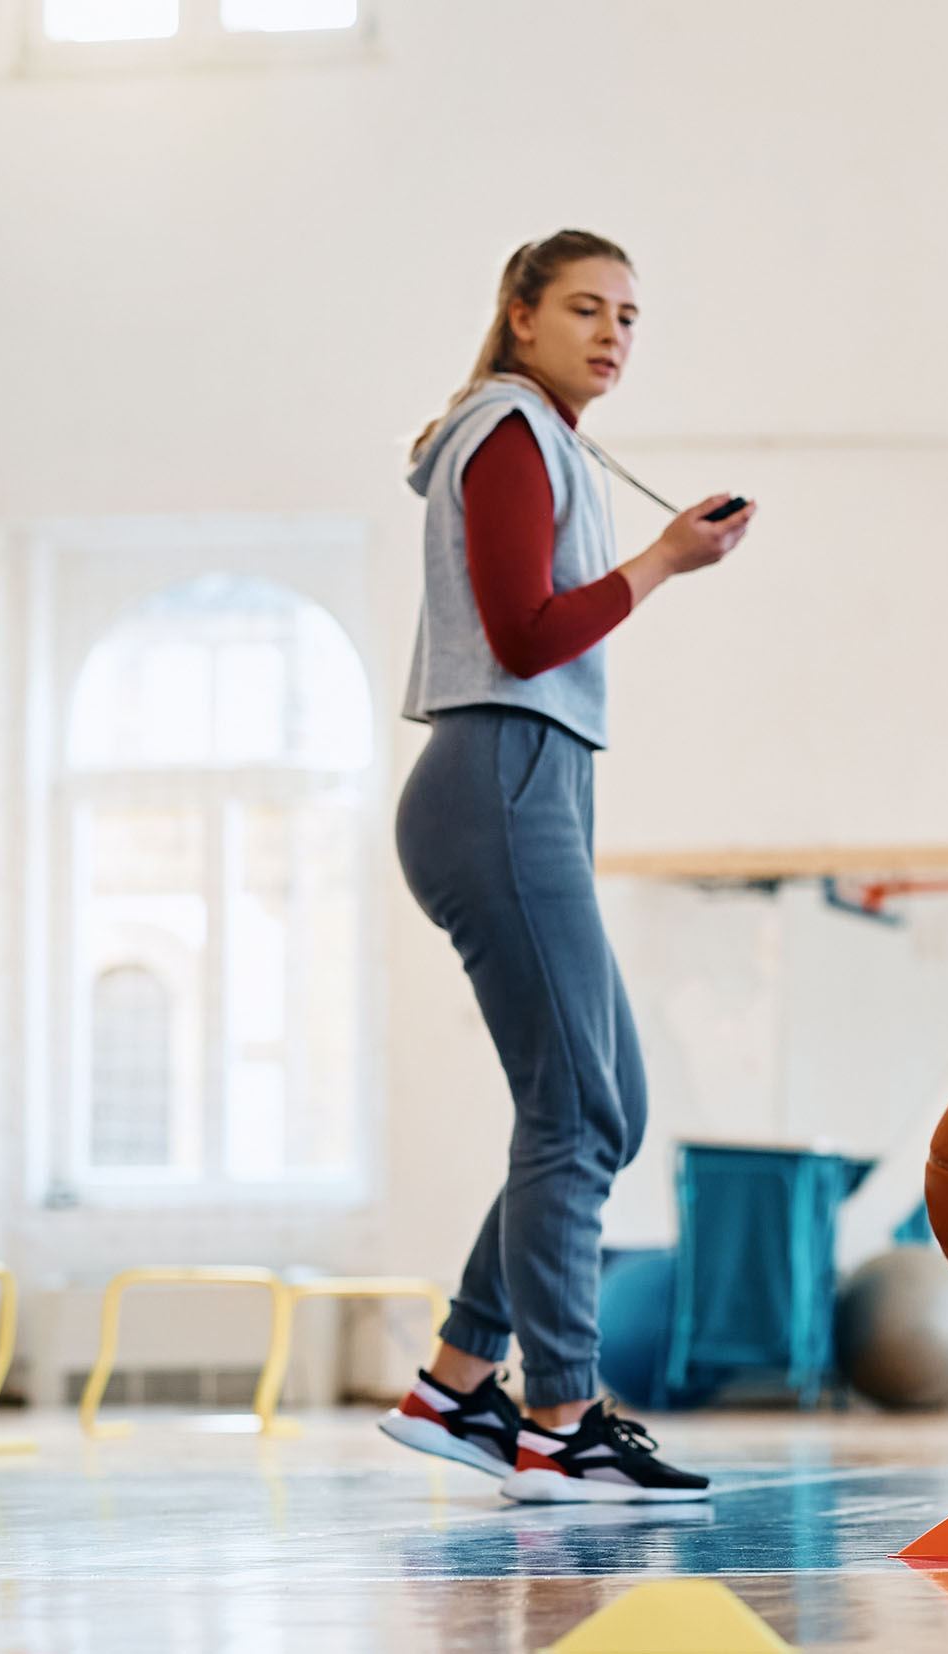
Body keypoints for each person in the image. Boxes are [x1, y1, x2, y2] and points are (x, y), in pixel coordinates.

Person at [378, 230, 754, 1502]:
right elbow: (525, 635)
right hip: (498, 780)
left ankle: (454, 1381)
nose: (612, 334)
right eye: (586, 308)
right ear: (521, 315)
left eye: (631, 316)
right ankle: (559, 1415)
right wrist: (664, 564)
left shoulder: (542, 436)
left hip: (527, 786)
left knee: (607, 1105)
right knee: (575, 1110)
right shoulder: (505, 429)